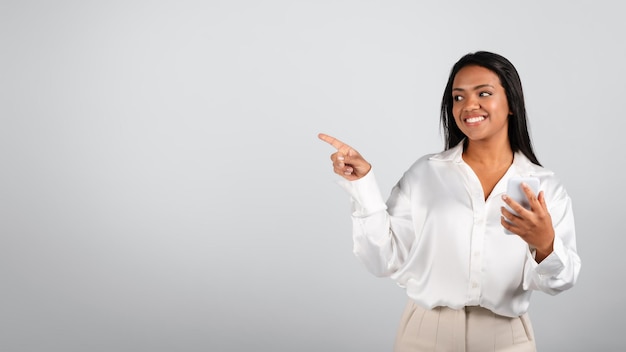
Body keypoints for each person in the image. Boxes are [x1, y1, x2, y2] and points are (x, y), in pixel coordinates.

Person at [318, 51, 581, 352]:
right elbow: (382, 259)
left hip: (507, 337)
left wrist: (545, 244)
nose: (469, 105)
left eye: (484, 93)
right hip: (424, 334)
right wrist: (362, 185)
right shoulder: (426, 174)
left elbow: (561, 281)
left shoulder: (545, 186)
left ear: (511, 103)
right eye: (458, 97)